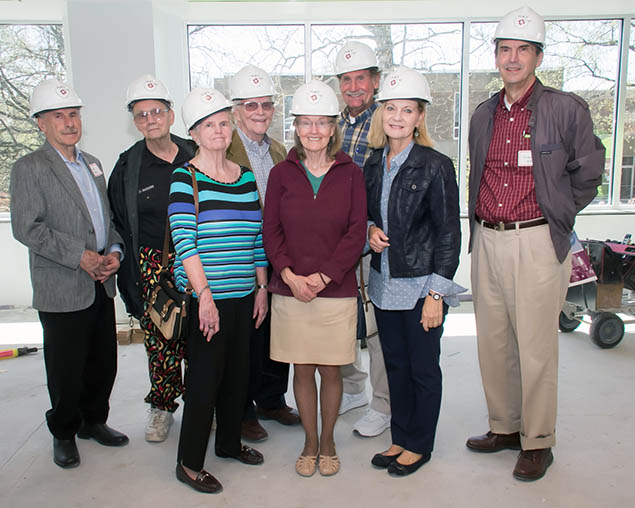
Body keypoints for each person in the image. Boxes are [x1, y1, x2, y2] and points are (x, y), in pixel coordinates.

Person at [466, 6, 605, 482]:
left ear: (538, 56)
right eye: (505, 50)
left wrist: (558, 214)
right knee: (495, 341)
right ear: (496, 56)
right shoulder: (484, 114)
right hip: (487, 238)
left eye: (522, 50)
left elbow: (588, 173)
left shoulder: (565, 109)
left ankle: (537, 439)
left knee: (536, 345)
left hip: (537, 240)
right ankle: (505, 427)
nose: (512, 59)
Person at [10, 79, 129, 469]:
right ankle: (63, 432)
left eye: (73, 114)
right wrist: (80, 256)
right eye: (58, 116)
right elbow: (27, 227)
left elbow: (106, 219)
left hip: (99, 283)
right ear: (41, 124)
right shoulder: (30, 168)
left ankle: (94, 421)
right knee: (65, 367)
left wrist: (112, 251)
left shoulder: (92, 163)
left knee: (102, 362)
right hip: (62, 284)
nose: (68, 122)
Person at [263, 80, 367, 478]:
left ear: (333, 127)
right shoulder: (281, 174)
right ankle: (309, 441)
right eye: (305, 122)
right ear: (296, 128)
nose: (313, 130)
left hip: (335, 290)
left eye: (321, 122)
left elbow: (356, 231)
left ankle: (329, 442)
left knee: (331, 370)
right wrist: (289, 274)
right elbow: (270, 231)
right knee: (302, 370)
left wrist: (324, 276)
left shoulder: (351, 174)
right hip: (290, 289)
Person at [365, 66, 463, 477]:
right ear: (381, 113)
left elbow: (449, 233)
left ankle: (419, 444)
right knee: (397, 366)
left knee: (423, 368)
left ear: (420, 117)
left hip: (421, 286)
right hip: (384, 284)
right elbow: (366, 215)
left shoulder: (436, 165)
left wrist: (437, 295)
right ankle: (400, 436)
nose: (398, 117)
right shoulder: (373, 163)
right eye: (391, 108)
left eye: (408, 110)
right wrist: (369, 229)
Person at [170, 87, 268, 494]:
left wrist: (262, 287)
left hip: (244, 295)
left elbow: (257, 238)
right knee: (206, 380)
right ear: (194, 132)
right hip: (206, 298)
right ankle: (189, 463)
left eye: (224, 122)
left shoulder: (245, 178)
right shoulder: (185, 176)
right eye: (209, 125)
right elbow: (184, 241)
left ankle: (228, 444)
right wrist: (205, 297)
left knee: (238, 376)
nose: (219, 130)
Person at [108, 75, 196, 443]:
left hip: (199, 258)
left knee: (200, 334)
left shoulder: (196, 153)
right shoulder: (128, 166)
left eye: (156, 111)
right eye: (141, 114)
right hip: (151, 266)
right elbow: (115, 218)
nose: (150, 120)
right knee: (161, 339)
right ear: (134, 121)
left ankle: (200, 400)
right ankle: (162, 407)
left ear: (171, 115)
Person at [226, 65, 299, 442]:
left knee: (275, 330)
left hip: (276, 253)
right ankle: (241, 410)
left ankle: (272, 399)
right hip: (239, 254)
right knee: (245, 335)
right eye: (251, 105)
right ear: (236, 110)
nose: (259, 112)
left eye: (266, 105)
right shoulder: (224, 146)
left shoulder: (278, 149)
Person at [334, 40, 391, 438]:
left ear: (375, 81)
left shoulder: (387, 120)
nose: (354, 87)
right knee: (339, 320)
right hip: (334, 244)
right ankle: (352, 390)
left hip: (372, 239)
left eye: (361, 79)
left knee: (376, 328)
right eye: (347, 80)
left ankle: (383, 404)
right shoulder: (331, 123)